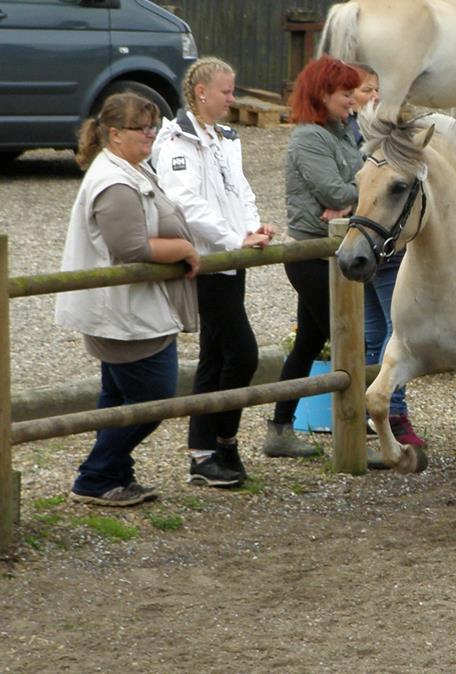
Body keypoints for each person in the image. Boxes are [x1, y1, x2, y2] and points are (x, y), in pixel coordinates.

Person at [56, 92, 200, 505]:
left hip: (130, 308)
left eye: (153, 127)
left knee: (117, 398)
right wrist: (185, 251)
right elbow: (131, 248)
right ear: (114, 134)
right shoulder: (115, 181)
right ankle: (95, 474)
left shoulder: (128, 169)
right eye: (143, 128)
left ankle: (113, 475)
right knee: (154, 398)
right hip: (125, 312)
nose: (151, 135)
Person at [153, 57, 276, 487]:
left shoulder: (225, 137)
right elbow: (185, 202)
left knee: (217, 355)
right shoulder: (176, 141)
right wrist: (231, 238)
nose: (232, 98)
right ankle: (223, 439)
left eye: (233, 89)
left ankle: (205, 452)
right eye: (226, 91)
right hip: (206, 261)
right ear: (201, 92)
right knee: (243, 353)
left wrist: (252, 227)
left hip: (230, 258)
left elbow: (239, 187)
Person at [257, 55, 368, 458]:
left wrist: (352, 194)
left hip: (336, 249)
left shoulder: (340, 134)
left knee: (309, 342)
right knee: (346, 342)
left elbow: (359, 182)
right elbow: (337, 193)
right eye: (346, 93)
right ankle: (353, 435)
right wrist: (355, 194)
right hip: (311, 255)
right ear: (323, 94)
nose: (353, 100)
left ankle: (280, 428)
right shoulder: (309, 138)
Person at [349, 64, 427, 455]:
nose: (374, 97)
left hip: (380, 242)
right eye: (367, 90)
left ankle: (378, 412)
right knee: (391, 333)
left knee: (379, 332)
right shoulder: (362, 136)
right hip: (377, 243)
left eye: (378, 90)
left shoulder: (384, 136)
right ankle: (391, 412)